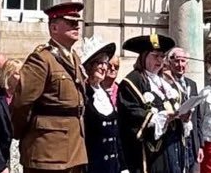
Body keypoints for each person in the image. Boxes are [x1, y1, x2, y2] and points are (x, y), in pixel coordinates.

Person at [12, 2, 89, 173]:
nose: (76, 26)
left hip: (74, 150)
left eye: (77, 22)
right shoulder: (41, 59)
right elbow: (22, 103)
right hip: (47, 151)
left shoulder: (74, 58)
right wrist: (23, 134)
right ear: (54, 28)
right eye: (69, 22)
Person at [119, 34, 191, 173]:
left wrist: (183, 117)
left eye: (162, 56)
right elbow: (131, 116)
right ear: (144, 56)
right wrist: (163, 118)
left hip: (172, 147)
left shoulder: (165, 82)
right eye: (155, 56)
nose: (160, 60)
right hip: (152, 153)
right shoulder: (132, 82)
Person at [82, 37, 123, 173]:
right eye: (99, 63)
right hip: (93, 166)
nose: (104, 67)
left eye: (106, 63)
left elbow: (116, 136)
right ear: (89, 65)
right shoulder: (83, 94)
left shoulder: (104, 94)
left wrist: (123, 166)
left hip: (113, 167)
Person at [168, 47, 204, 172]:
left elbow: (198, 118)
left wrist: (199, 145)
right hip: (175, 140)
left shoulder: (192, 84)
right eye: (177, 61)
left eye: (183, 61)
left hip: (192, 142)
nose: (180, 65)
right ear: (170, 63)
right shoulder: (165, 84)